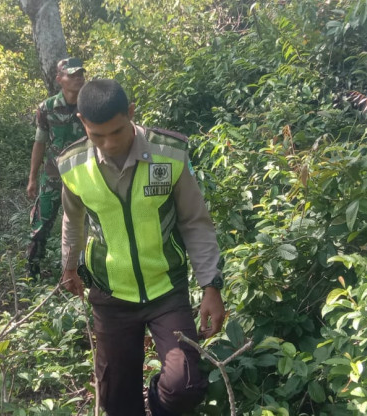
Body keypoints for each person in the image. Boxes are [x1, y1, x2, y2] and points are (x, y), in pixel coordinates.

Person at [58, 79, 226, 415]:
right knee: (116, 399)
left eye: (117, 132)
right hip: (110, 294)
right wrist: (69, 265)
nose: (109, 143)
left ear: (131, 113)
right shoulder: (73, 164)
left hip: (166, 290)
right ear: (82, 122)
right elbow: (72, 220)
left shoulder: (169, 154)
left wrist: (211, 286)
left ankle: (158, 404)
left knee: (185, 384)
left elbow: (195, 222)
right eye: (97, 135)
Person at [26, 57, 87, 278]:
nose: (78, 78)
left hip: (85, 176)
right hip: (53, 175)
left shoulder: (90, 104)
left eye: (80, 73)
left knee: (88, 226)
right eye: (71, 74)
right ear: (59, 79)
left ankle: (85, 271)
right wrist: (32, 177)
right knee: (40, 224)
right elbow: (39, 142)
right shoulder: (47, 108)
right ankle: (32, 271)